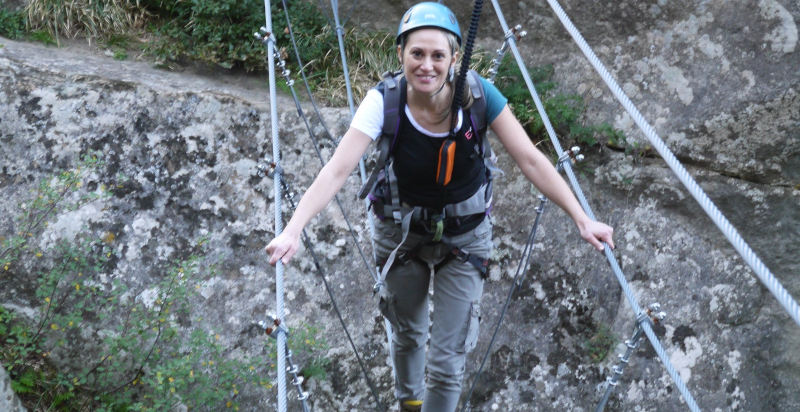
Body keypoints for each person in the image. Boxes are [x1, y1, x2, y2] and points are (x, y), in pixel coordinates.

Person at [266, 2, 615, 411]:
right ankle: (409, 406)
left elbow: (531, 159)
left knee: (449, 361)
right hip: (401, 234)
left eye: (437, 55)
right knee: (409, 335)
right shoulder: (384, 102)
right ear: (401, 55)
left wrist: (580, 217)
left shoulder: (480, 97)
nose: (426, 65)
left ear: (454, 58)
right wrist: (293, 229)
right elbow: (338, 169)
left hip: (464, 237)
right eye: (417, 53)